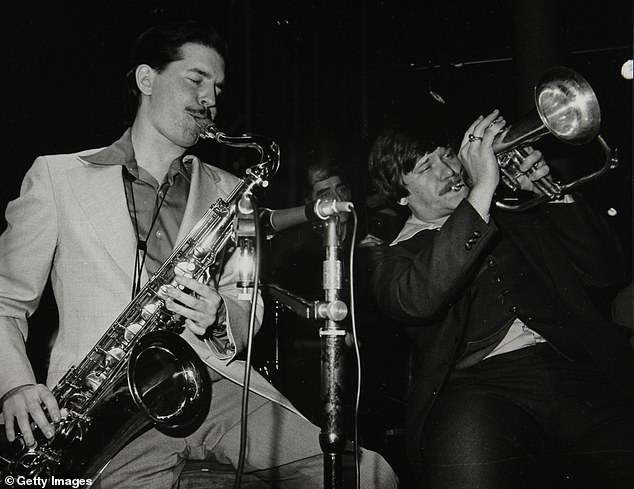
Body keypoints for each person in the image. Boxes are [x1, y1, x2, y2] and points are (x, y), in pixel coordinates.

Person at [0, 20, 398, 488]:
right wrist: (16, 385)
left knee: (368, 475)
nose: (210, 99)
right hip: (103, 410)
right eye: (196, 79)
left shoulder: (230, 191)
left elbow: (249, 302)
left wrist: (220, 314)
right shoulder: (56, 177)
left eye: (217, 87)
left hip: (212, 381)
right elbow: (6, 301)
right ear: (146, 79)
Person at [367, 109, 634, 488]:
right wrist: (481, 191)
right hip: (478, 388)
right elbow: (416, 300)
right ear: (400, 193)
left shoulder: (514, 212)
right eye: (427, 168)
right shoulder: (390, 254)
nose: (448, 171)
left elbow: (607, 269)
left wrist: (550, 193)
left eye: (448, 156)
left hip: (573, 368)